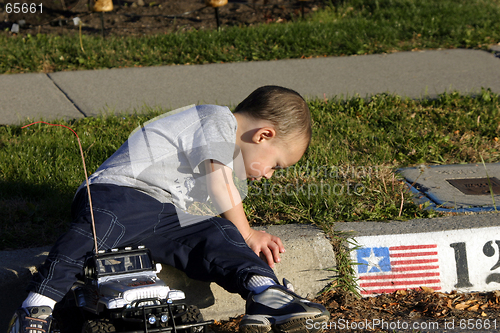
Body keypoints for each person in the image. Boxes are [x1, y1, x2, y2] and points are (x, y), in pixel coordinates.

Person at [8, 85, 330, 333]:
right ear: (264, 135)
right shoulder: (217, 119)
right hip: (121, 192)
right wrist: (247, 232)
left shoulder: (223, 140)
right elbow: (221, 185)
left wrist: (235, 233)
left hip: (165, 211)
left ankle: (264, 292)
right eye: (275, 165)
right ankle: (37, 307)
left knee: (217, 232)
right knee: (98, 228)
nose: (268, 175)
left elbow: (213, 200)